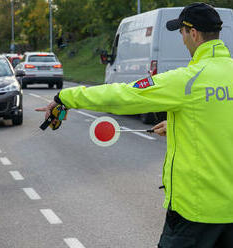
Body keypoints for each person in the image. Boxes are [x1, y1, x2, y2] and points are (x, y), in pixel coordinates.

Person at [36, 2, 233, 247]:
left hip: (195, 212)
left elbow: (123, 95)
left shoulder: (188, 80)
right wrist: (178, 126)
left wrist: (65, 97)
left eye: (181, 33)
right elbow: (218, 121)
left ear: (193, 33)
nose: (182, 40)